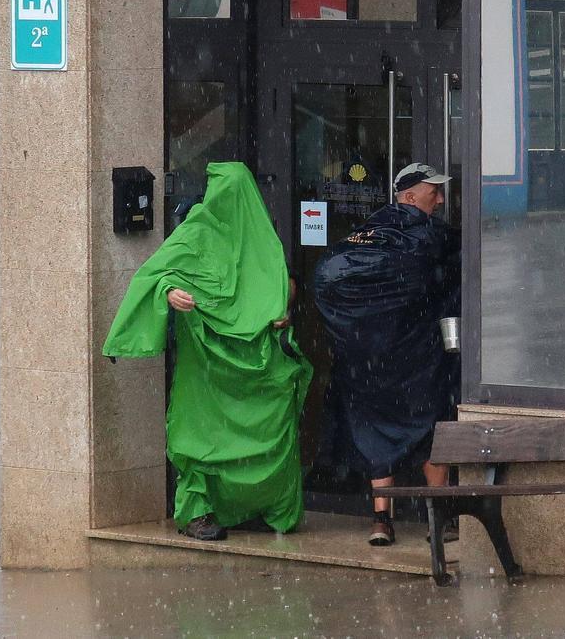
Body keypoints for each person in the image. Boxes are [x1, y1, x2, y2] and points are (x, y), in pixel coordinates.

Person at [103, 162, 312, 541]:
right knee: (200, 437)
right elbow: (156, 275)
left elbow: (282, 282)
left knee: (262, 429)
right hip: (206, 361)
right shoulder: (194, 234)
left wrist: (281, 308)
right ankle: (198, 512)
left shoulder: (260, 237)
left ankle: (254, 507)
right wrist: (168, 292)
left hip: (253, 359)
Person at [313, 162, 461, 546]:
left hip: (369, 363)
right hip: (418, 357)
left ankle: (381, 520)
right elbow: (447, 272)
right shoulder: (428, 235)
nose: (441, 199)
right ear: (410, 196)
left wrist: (360, 337)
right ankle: (438, 517)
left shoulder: (364, 234)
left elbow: (329, 278)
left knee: (376, 433)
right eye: (434, 192)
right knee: (433, 427)